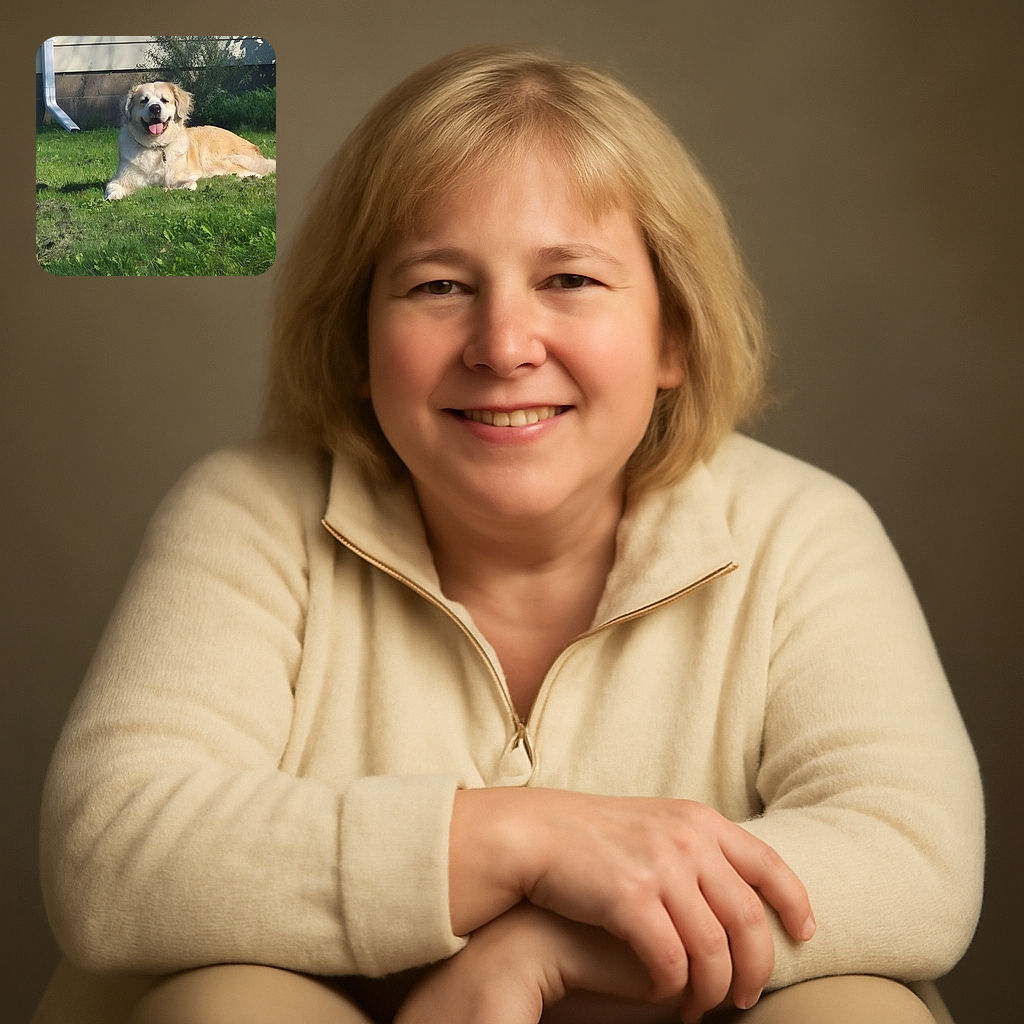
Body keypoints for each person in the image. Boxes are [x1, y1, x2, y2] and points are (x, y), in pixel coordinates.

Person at [34, 45, 983, 1024]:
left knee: (858, 1010)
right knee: (222, 1005)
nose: (503, 346)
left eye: (570, 279)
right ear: (357, 343)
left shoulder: (804, 532)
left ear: (672, 336)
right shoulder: (245, 511)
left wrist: (547, 947)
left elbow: (912, 857)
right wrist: (532, 840)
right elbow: (111, 854)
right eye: (438, 287)